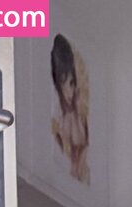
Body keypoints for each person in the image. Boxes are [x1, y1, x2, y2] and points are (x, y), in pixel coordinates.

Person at [50, 33, 90, 184]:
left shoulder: (76, 114)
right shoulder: (60, 120)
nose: (70, 92)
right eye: (64, 83)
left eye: (72, 83)